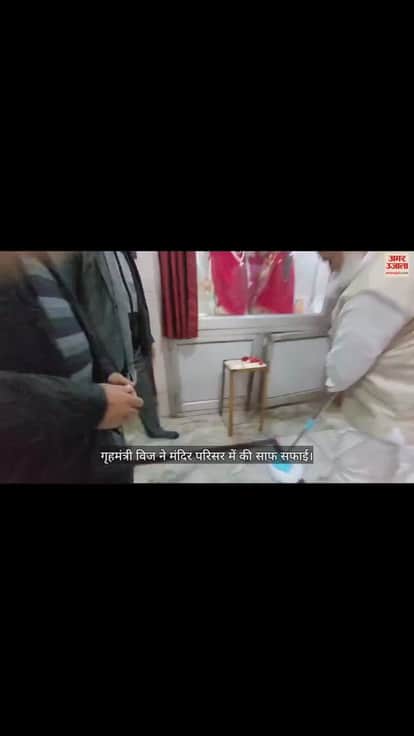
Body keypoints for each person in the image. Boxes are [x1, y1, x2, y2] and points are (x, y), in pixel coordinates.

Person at [0, 252, 143, 484]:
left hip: (85, 449)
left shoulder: (39, 259)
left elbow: (80, 321)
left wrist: (106, 371)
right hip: (33, 463)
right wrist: (91, 404)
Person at [301, 250, 414, 483]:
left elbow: (343, 371)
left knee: (354, 475)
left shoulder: (374, 291)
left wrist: (332, 381)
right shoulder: (399, 260)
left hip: (381, 417)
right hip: (403, 407)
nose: (323, 261)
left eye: (328, 259)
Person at [60, 251, 179, 440]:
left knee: (144, 380)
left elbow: (137, 294)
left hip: (134, 322)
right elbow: (74, 295)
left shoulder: (125, 254)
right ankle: (113, 436)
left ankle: (154, 427)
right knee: (110, 382)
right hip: (104, 329)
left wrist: (146, 333)